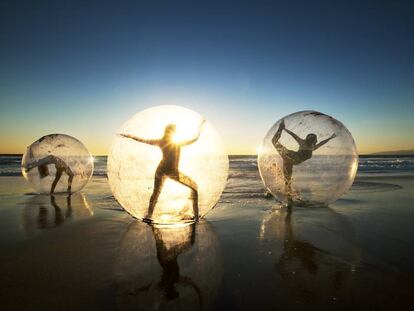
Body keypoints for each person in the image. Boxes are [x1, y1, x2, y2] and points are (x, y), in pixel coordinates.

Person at [120, 120, 205, 223]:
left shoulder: (167, 142)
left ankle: (194, 215)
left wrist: (200, 127)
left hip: (166, 170)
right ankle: (195, 216)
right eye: (173, 130)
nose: (175, 132)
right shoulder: (170, 142)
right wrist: (129, 136)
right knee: (158, 193)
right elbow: (143, 140)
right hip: (167, 171)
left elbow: (194, 140)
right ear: (171, 131)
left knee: (192, 188)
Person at [272, 119, 336, 205]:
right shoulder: (303, 142)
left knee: (287, 180)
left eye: (312, 138)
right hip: (290, 156)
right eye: (309, 137)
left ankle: (289, 197)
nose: (310, 139)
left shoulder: (313, 147)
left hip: (290, 161)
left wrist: (330, 138)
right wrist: (284, 129)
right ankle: (280, 128)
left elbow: (322, 142)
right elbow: (293, 135)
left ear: (314, 140)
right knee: (274, 141)